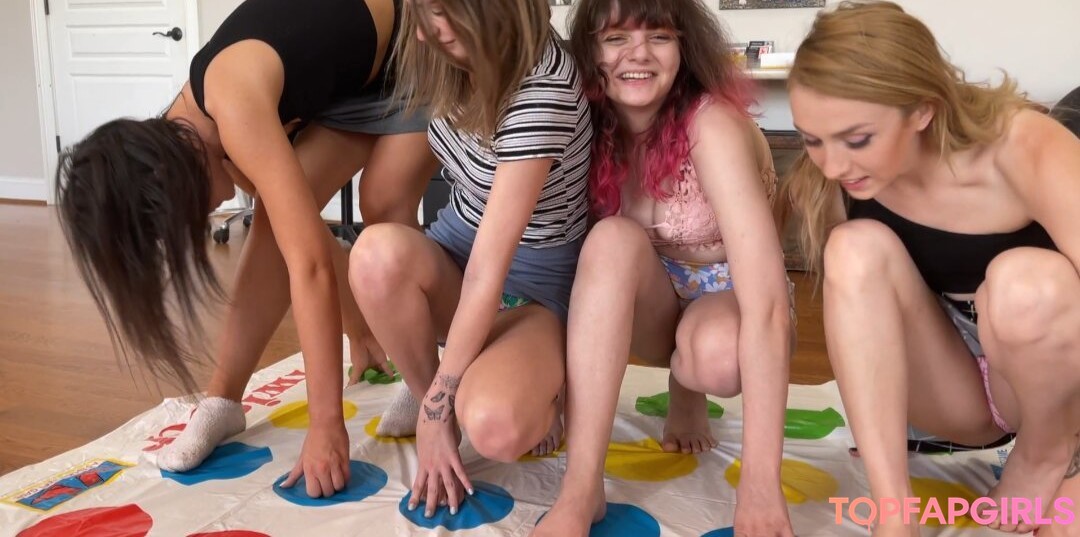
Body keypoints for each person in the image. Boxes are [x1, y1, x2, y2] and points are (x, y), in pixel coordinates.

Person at [53, 0, 439, 499]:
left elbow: (311, 268)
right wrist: (358, 329)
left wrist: (326, 424)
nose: (202, 218)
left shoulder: (234, 107)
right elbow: (303, 238)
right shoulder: (189, 125)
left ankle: (424, 378)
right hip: (352, 84)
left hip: (415, 43)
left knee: (384, 198)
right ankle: (223, 400)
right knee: (276, 223)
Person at [783, 2, 1080, 535]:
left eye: (857, 139)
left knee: (1026, 283)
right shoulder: (833, 179)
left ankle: (1047, 455)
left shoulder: (1024, 144)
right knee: (850, 248)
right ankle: (894, 513)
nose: (833, 165)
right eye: (811, 139)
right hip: (956, 397)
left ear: (923, 109)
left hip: (1056, 392)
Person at [532, 0, 795, 535]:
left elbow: (766, 302)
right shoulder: (581, 126)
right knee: (609, 239)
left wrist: (761, 486)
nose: (639, 54)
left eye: (659, 36)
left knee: (716, 358)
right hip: (649, 299)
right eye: (615, 39)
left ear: (684, 48)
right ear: (590, 53)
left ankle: (688, 387)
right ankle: (581, 489)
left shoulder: (712, 125)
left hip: (729, 296)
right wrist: (550, 395)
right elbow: (562, 267)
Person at [347, 0, 591, 520]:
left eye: (443, 12)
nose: (423, 34)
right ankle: (433, 393)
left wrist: (439, 410)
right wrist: (435, 401)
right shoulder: (446, 55)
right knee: (373, 254)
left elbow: (488, 273)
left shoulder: (542, 91)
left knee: (498, 428)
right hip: (458, 252)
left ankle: (536, 386)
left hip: (532, 289)